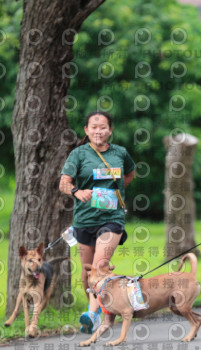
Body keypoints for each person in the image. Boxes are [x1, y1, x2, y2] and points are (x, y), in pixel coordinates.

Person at [59, 111, 135, 334]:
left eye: (103, 127)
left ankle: (92, 315)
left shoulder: (120, 153)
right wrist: (77, 191)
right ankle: (97, 306)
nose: (98, 131)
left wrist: (113, 196)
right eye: (94, 127)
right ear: (86, 130)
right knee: (87, 272)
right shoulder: (78, 154)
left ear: (110, 130)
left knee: (101, 265)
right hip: (84, 220)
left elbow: (129, 175)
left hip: (112, 219)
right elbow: (64, 183)